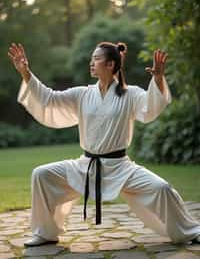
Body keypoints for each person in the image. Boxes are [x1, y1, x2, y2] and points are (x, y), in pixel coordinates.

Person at [8, 42, 200, 247]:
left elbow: (151, 106)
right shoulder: (82, 94)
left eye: (96, 58)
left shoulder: (130, 94)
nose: (91, 62)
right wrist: (26, 73)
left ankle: (190, 232)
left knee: (161, 188)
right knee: (41, 174)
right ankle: (45, 233)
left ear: (110, 64)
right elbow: (49, 98)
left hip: (120, 168)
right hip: (85, 166)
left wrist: (158, 78)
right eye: (92, 58)